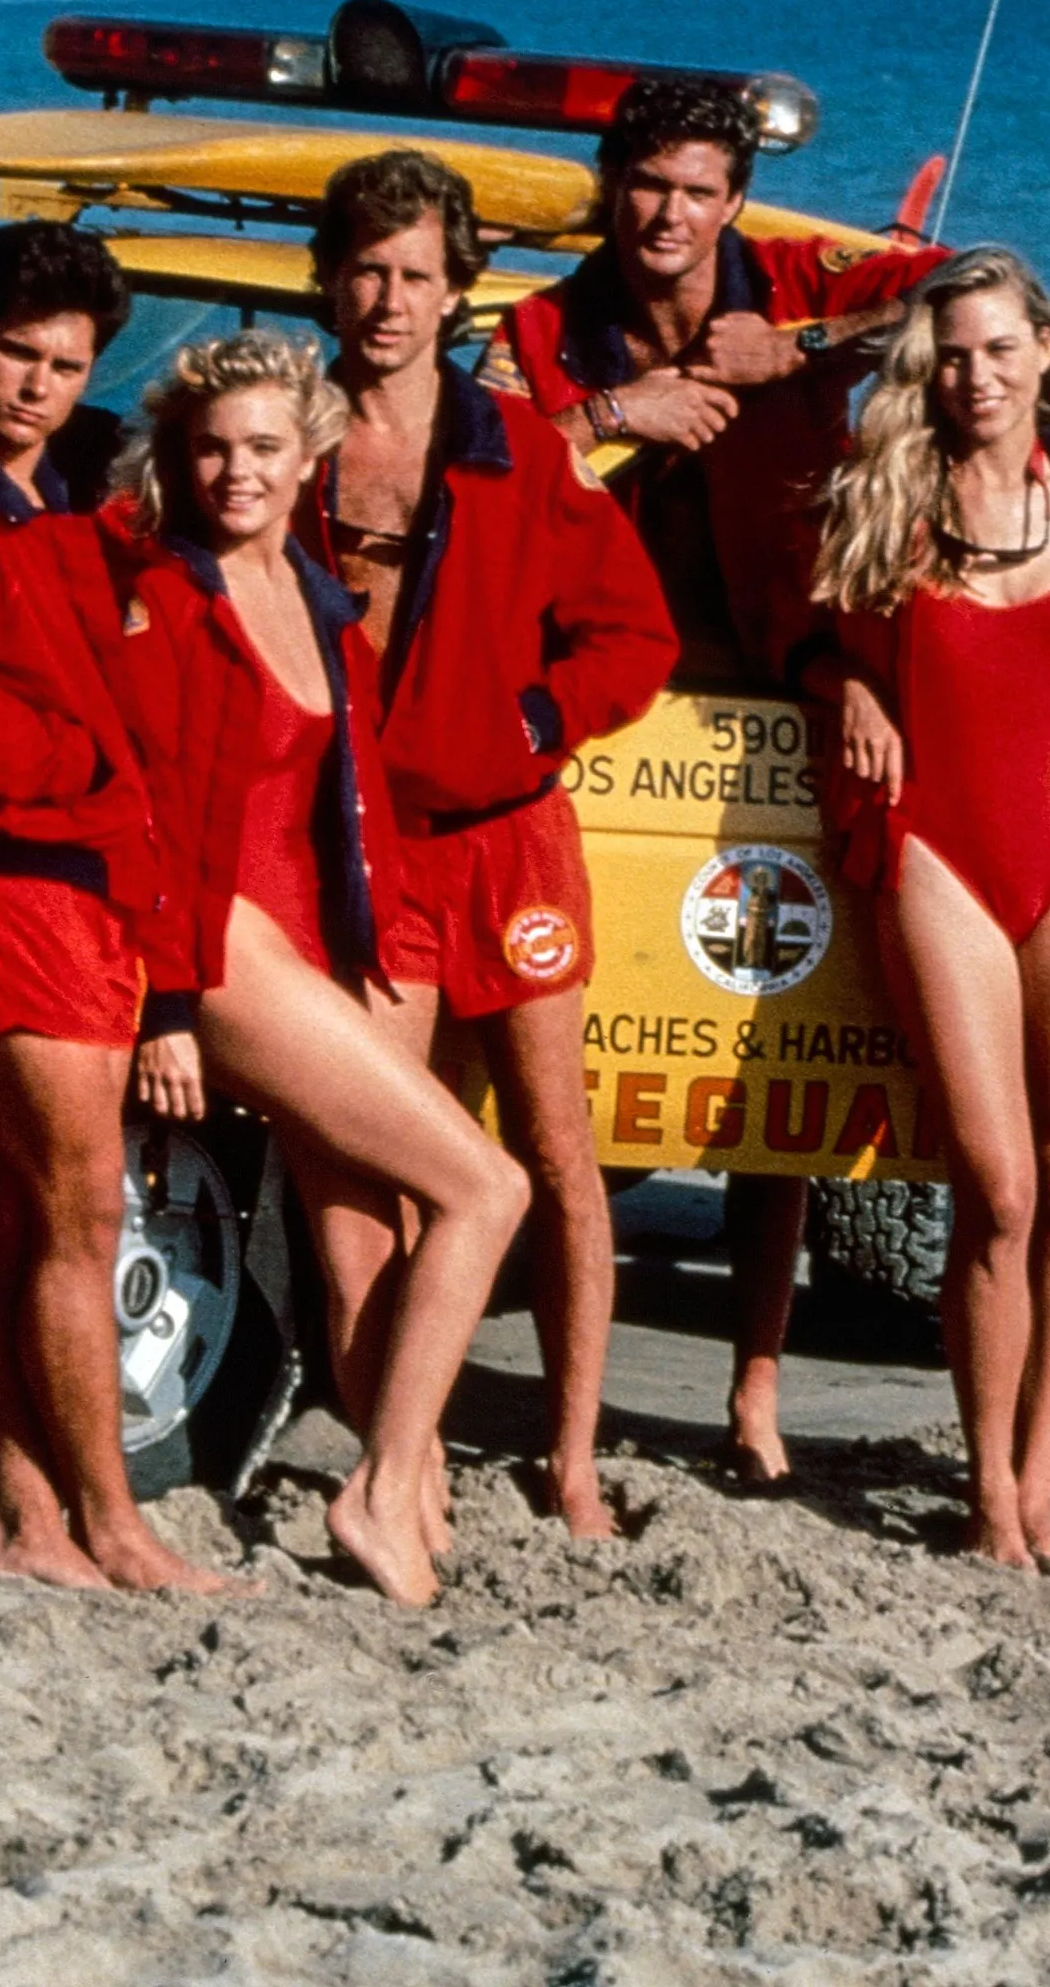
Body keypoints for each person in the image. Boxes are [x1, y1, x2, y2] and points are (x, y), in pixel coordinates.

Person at [483, 73, 945, 1485]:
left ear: (733, 199)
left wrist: (792, 346)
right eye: (645, 185)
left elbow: (973, 297)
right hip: (600, 704)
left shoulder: (796, 278)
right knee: (574, 1058)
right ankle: (553, 1388)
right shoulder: (546, 330)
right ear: (609, 188)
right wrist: (628, 407)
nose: (668, 215)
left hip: (783, 689)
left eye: (696, 191)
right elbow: (481, 466)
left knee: (771, 1068)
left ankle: (753, 1392)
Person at [111, 331, 530, 1608]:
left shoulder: (316, 588)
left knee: (363, 1244)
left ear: (311, 457)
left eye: (262, 449)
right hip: (227, 947)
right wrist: (169, 1008)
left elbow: (341, 810)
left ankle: (413, 1483)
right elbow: (153, 819)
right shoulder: (169, 596)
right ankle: (385, 1484)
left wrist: (386, 948)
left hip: (319, 943)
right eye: (210, 449)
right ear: (179, 461)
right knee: (486, 1189)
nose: (236, 472)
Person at [298, 151, 677, 1539]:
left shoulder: (518, 451)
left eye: (415, 274)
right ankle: (412, 1455)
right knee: (372, 1156)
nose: (388, 299)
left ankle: (571, 1457)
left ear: (458, 290)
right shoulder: (285, 442)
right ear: (330, 279)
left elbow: (634, 637)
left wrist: (534, 715)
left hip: (509, 841)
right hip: (364, 853)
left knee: (558, 1153)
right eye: (366, 270)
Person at [0, 221, 225, 1595]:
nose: (38, 385)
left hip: (67, 892)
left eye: (67, 366)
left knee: (34, 1213)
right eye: (17, 353)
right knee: (81, 1214)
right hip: (3, 890)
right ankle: (114, 1527)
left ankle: (27, 1513)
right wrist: (96, 767)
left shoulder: (64, 492)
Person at [804, 246, 1050, 1574]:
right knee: (995, 1190)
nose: (976, 375)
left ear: (1044, 356)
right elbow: (801, 627)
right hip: (939, 852)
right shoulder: (881, 495)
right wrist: (842, 689)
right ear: (928, 366)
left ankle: (1034, 1487)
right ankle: (984, 1499)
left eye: (1000, 349)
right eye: (952, 353)